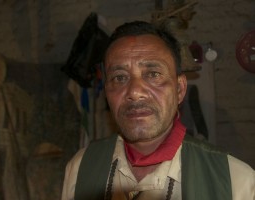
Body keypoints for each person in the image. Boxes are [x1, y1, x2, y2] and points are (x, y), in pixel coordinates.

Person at [61, 21, 254, 200]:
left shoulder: (236, 183)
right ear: (107, 92)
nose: (135, 92)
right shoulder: (81, 168)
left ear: (179, 89)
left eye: (153, 74)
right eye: (119, 78)